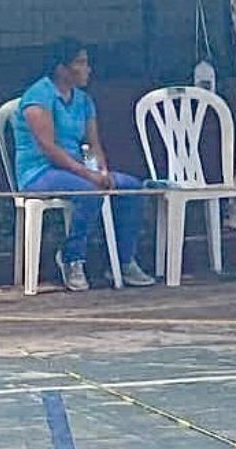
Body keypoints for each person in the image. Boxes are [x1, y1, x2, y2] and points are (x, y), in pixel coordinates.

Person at [14, 36, 157, 293]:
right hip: (41, 172)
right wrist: (88, 176)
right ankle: (72, 258)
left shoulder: (83, 101)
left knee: (131, 187)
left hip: (77, 169)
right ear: (62, 68)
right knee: (89, 192)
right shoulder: (38, 97)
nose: (87, 69)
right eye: (80, 63)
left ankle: (124, 261)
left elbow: (92, 144)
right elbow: (49, 148)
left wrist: (99, 170)